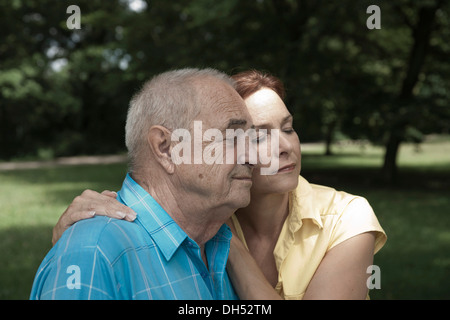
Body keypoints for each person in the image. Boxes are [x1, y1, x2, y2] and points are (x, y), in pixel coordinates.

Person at [51, 70, 387, 300]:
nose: (284, 147)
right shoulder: (200, 220)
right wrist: (77, 239)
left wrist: (228, 242)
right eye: (255, 136)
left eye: (288, 128)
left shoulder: (211, 231)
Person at [30, 68, 257, 300]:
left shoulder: (218, 245)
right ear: (166, 149)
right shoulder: (94, 252)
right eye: (232, 137)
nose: (254, 157)